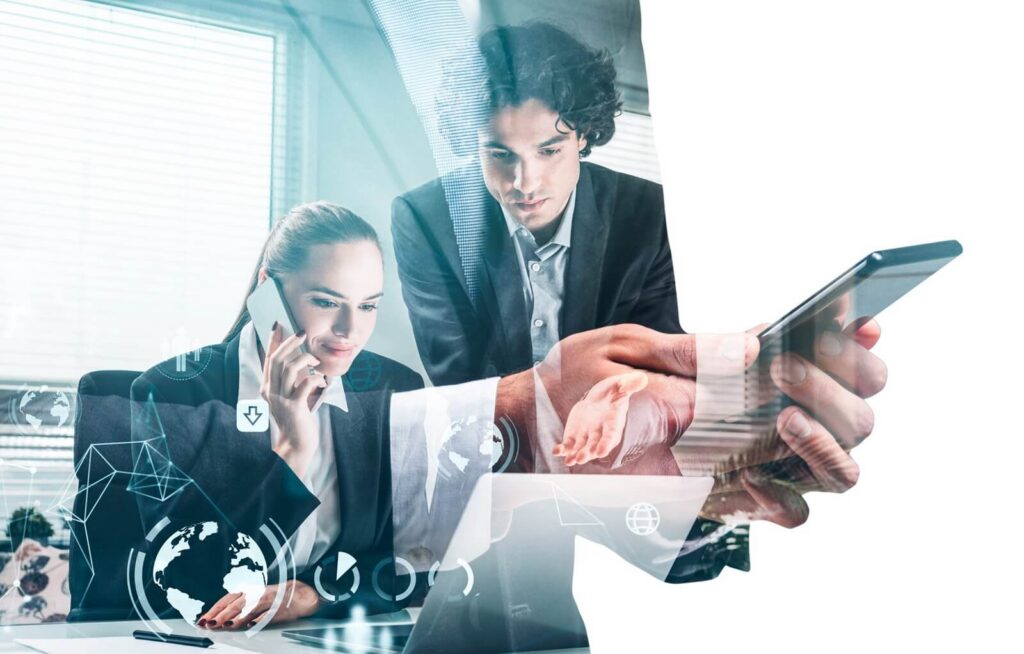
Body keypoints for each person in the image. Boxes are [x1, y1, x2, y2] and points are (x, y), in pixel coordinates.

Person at [128, 202, 424, 629]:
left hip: (334, 634)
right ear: (268, 291)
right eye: (326, 301)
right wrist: (291, 452)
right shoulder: (171, 395)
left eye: (368, 306)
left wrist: (313, 593)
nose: (349, 330)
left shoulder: (395, 391)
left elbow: (419, 561)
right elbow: (189, 578)